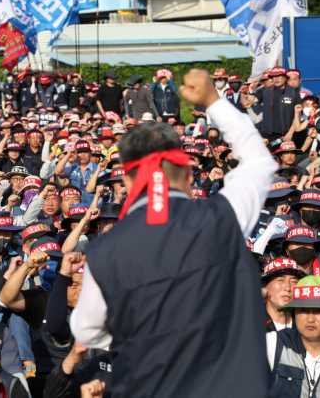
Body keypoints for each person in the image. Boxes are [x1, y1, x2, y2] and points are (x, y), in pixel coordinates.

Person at [70, 69, 277, 397]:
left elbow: (86, 328)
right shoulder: (223, 217)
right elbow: (259, 162)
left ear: (125, 180)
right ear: (187, 173)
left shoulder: (103, 251)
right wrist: (213, 101)